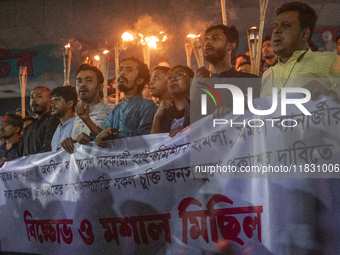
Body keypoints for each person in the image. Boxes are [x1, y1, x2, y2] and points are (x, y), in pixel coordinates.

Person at [261, 2, 340, 99]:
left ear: (304, 34)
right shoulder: (267, 74)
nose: (276, 30)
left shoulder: (330, 62)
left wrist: (328, 94)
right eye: (275, 26)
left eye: (285, 25)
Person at [96, 57, 157, 148]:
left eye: (129, 70)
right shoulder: (116, 109)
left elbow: (145, 138)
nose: (122, 73)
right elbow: (105, 134)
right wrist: (89, 139)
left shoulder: (147, 105)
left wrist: (115, 133)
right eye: (120, 69)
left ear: (139, 80)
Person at [61, 64, 115, 154]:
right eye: (79, 81)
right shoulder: (76, 118)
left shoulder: (112, 110)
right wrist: (70, 143)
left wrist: (90, 140)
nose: (82, 84)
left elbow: (116, 141)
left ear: (100, 87)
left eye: (88, 80)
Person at [151, 65, 193, 136]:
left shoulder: (200, 107)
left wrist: (188, 131)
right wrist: (157, 117)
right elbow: (153, 143)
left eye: (179, 75)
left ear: (190, 80)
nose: (173, 80)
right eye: (169, 78)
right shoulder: (164, 111)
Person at [20, 86, 60, 156]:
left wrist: (32, 160)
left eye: (39, 97)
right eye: (32, 97)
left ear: (49, 100)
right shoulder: (28, 128)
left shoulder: (53, 121)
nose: (34, 100)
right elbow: (20, 153)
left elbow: (48, 148)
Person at [50, 86, 77, 151]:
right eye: (52, 100)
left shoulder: (78, 125)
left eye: (57, 100)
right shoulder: (58, 128)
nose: (52, 104)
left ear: (70, 104)